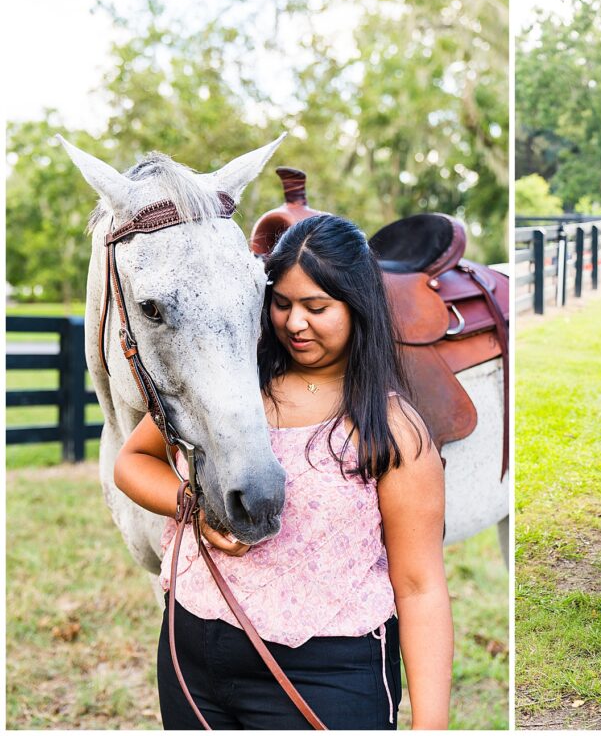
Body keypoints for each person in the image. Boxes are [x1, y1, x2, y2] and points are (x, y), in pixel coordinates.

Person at [114, 214, 453, 729]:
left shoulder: (392, 430)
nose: (295, 323)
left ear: (357, 307)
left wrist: (431, 726)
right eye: (282, 304)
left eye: (317, 307)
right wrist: (194, 510)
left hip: (325, 677)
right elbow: (132, 463)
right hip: (192, 654)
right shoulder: (233, 386)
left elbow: (420, 585)